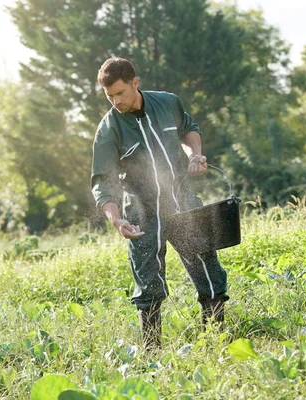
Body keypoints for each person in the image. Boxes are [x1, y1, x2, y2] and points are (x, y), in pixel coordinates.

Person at [91, 57, 229, 349]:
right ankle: (153, 353)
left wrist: (195, 154)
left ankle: (215, 341)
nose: (115, 101)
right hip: (141, 211)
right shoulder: (108, 129)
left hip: (183, 200)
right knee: (148, 283)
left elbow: (189, 128)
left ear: (135, 83)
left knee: (208, 267)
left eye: (120, 93)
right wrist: (116, 220)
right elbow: (103, 181)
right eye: (109, 96)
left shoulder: (167, 103)